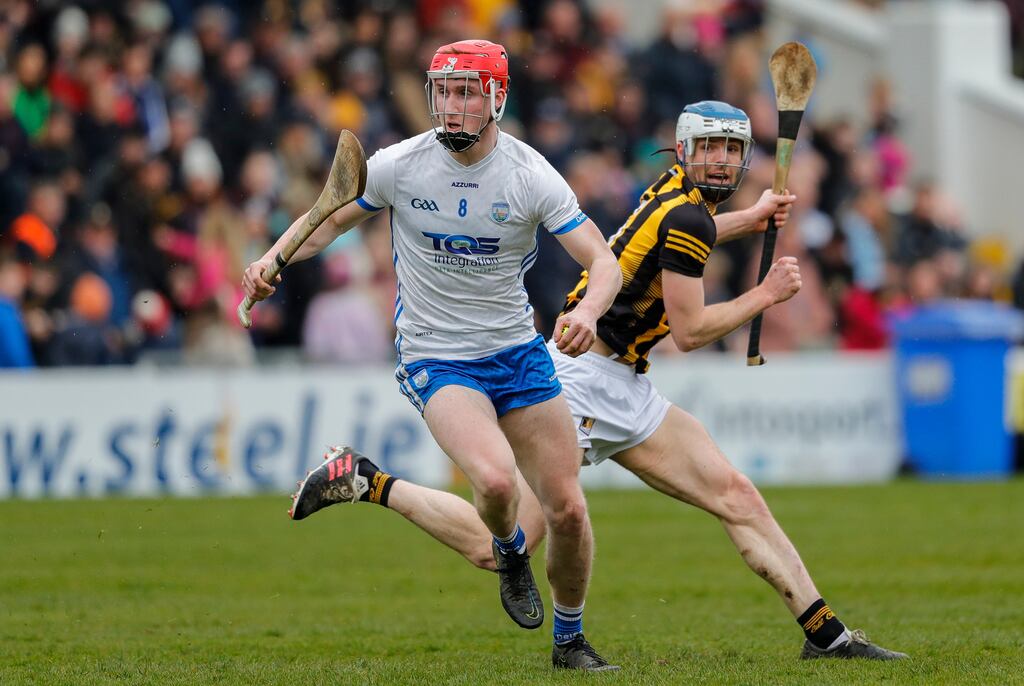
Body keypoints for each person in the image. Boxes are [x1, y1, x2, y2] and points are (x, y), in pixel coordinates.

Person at [286, 100, 910, 663]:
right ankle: (369, 481)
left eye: (731, 150)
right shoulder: (689, 214)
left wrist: (751, 218)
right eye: (708, 148)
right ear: (684, 150)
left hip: (625, 384)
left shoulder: (677, 199)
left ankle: (826, 636)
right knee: (496, 547)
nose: (720, 161)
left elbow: (685, 237)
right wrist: (765, 295)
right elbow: (690, 333)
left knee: (735, 494)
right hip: (583, 379)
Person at [242, 40, 622, 671]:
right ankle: (508, 553)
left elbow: (603, 261)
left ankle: (570, 642)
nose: (452, 105)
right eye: (444, 91)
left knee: (569, 511)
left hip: (519, 352)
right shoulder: (401, 165)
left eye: (467, 91)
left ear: (497, 98)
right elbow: (329, 220)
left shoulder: (529, 175)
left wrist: (585, 313)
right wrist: (271, 260)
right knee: (496, 482)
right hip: (437, 356)